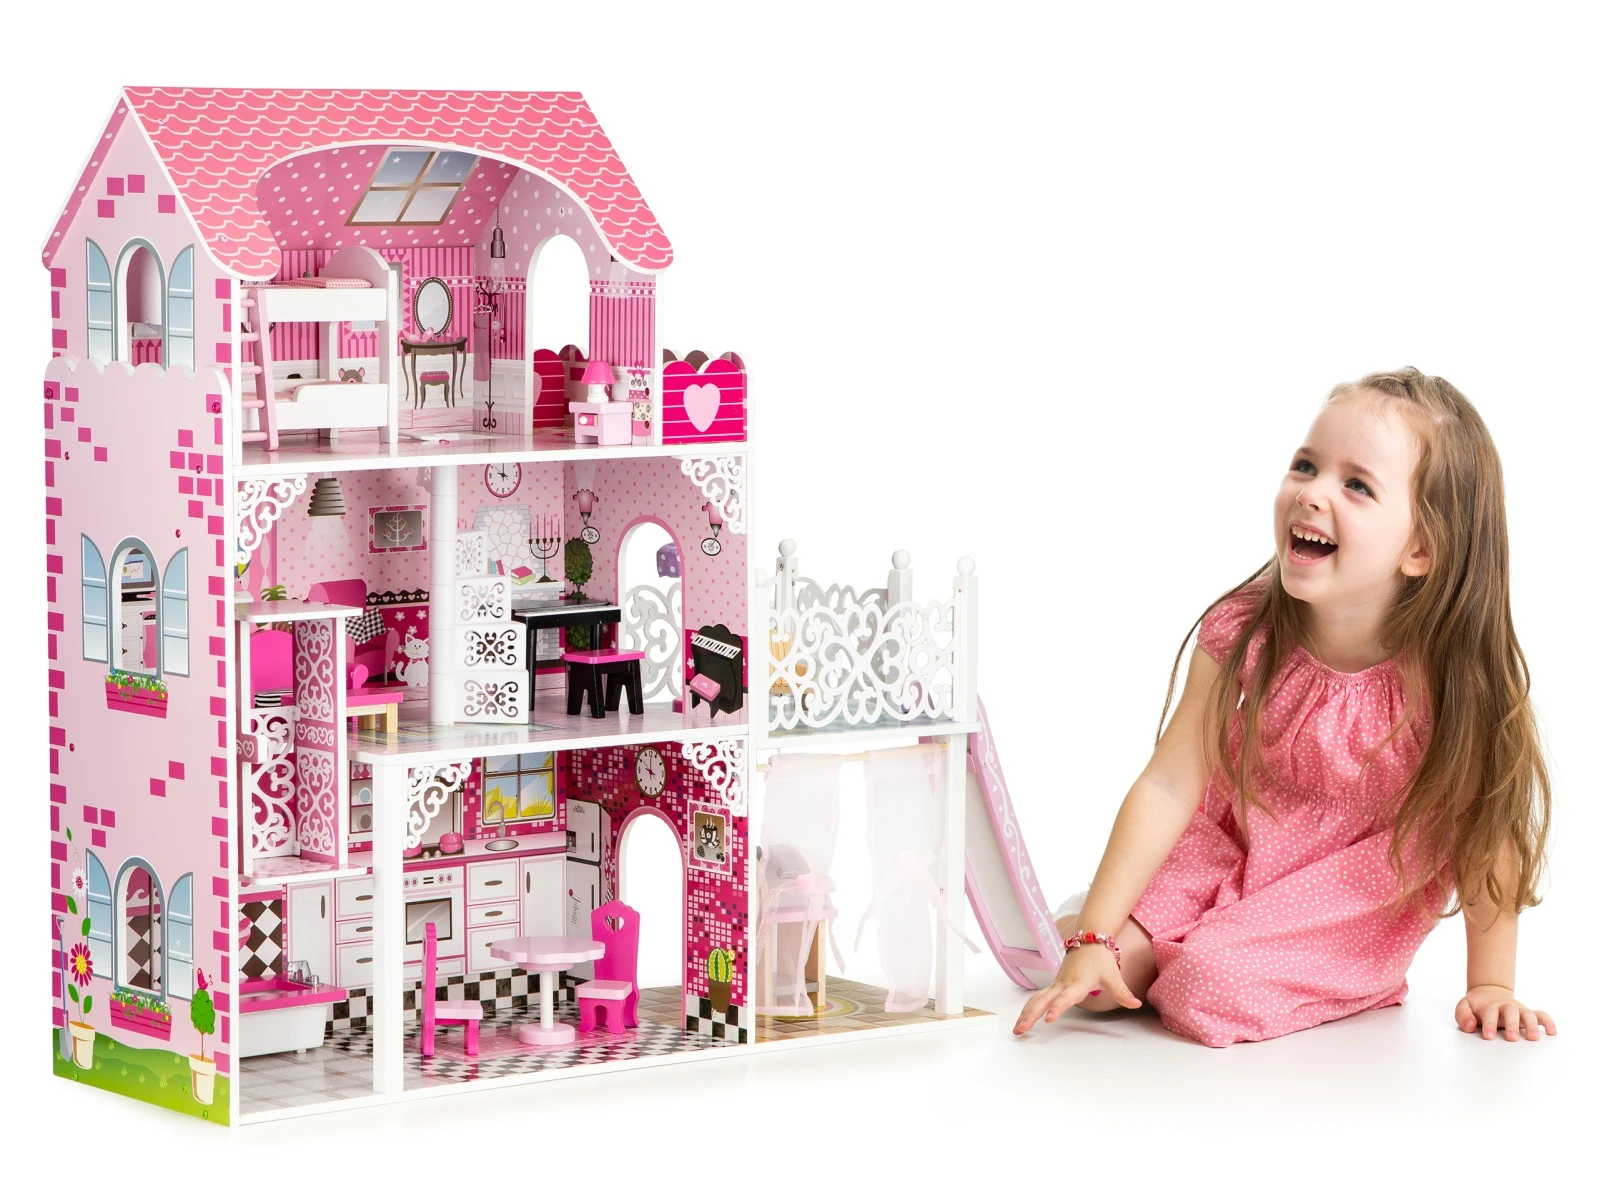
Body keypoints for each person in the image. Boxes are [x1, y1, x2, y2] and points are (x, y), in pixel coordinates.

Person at [1013, 368, 1556, 1047]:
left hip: (1344, 898)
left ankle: (1232, 958)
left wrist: (1491, 984)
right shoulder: (1247, 626)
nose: (1311, 493)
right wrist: (1095, 934)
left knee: (1205, 989)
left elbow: (1487, 830)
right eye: (1305, 466)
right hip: (1231, 846)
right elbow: (1169, 783)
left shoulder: (1453, 678)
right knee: (1095, 983)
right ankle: (1116, 927)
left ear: (1420, 548)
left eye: (1356, 485)